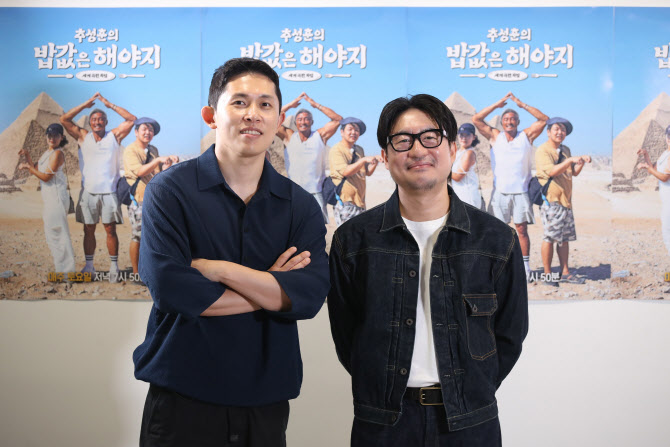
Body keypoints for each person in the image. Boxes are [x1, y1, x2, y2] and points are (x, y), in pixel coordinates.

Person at [133, 58, 329, 447]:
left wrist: (218, 270)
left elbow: (308, 296)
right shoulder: (169, 192)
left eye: (265, 104)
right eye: (239, 102)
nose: (252, 114)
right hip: (181, 394)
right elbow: (171, 289)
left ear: (279, 120)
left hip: (266, 399)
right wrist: (273, 286)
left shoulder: (301, 206)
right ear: (211, 116)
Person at [328, 94, 528, 446]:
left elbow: (510, 335)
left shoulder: (497, 240)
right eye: (403, 140)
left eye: (430, 138)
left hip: (470, 422)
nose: (418, 150)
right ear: (385, 156)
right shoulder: (353, 240)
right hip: (382, 423)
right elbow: (348, 337)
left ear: (452, 149)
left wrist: (472, 386)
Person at [60, 92, 136, 282]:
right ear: (89, 122)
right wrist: (84, 105)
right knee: (88, 230)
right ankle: (89, 266)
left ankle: (113, 267)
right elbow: (64, 119)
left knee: (111, 230)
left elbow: (131, 119)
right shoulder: (83, 136)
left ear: (106, 121)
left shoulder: (114, 136)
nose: (97, 122)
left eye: (101, 119)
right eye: (93, 119)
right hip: (88, 192)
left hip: (109, 192)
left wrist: (109, 104)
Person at [473, 92, 548, 280]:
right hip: (500, 192)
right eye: (506, 119)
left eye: (513, 119)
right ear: (502, 122)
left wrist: (522, 104)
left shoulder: (526, 136)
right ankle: (501, 266)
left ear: (518, 122)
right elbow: (476, 119)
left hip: (521, 192)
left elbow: (543, 119)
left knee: (522, 230)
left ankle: (525, 267)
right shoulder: (495, 136)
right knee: (499, 231)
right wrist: (496, 105)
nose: (509, 122)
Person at [122, 117, 179, 282]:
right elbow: (140, 171)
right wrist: (157, 160)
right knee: (137, 236)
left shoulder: (153, 149)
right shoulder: (130, 150)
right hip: (138, 199)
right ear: (136, 132)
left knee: (153, 236)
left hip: (153, 199)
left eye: (151, 130)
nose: (148, 132)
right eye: (144, 129)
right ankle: (136, 273)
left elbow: (157, 173)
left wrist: (167, 164)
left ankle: (151, 270)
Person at [536, 117, 591, 286]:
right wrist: (569, 160)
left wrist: (581, 162)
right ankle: (547, 275)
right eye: (556, 129)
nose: (560, 132)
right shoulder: (543, 150)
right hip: (552, 201)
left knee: (564, 238)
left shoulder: (565, 149)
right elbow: (551, 172)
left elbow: (573, 172)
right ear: (548, 132)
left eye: (563, 130)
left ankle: (565, 272)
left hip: (566, 201)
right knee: (549, 237)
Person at [17, 123, 76, 275]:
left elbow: (46, 177)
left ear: (61, 137)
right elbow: (35, 171)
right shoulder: (47, 153)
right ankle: (61, 269)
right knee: (52, 235)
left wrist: (28, 167)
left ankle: (68, 272)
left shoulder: (58, 154)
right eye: (49, 135)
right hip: (49, 198)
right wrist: (27, 155)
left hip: (57, 197)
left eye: (55, 135)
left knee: (59, 233)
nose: (52, 138)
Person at [277, 92, 343, 222]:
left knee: (318, 227)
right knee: (293, 227)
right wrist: (291, 105)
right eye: (300, 119)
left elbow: (338, 120)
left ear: (312, 122)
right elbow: (272, 119)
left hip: (316, 192)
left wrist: (316, 105)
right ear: (295, 122)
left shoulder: (319, 136)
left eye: (306, 119)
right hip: (294, 193)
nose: (303, 122)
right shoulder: (289, 136)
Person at [328, 116, 381, 225]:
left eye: (356, 130)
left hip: (360, 202)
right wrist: (363, 160)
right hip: (345, 202)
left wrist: (375, 162)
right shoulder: (337, 150)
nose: (353, 132)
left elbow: (367, 173)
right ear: (342, 132)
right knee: (347, 234)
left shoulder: (359, 149)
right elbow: (345, 172)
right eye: (350, 129)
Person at [637, 124, 670, 256]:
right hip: (666, 200)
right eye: (669, 135)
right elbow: (654, 169)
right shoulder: (665, 154)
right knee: (666, 233)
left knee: (667, 233)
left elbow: (664, 177)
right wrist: (646, 155)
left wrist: (648, 168)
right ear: (666, 137)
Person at [451, 123, 484, 209]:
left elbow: (458, 177)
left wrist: (441, 170)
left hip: (468, 197)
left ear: (474, 137)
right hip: (459, 195)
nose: (464, 138)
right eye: (462, 135)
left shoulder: (469, 153)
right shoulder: (458, 153)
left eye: (467, 135)